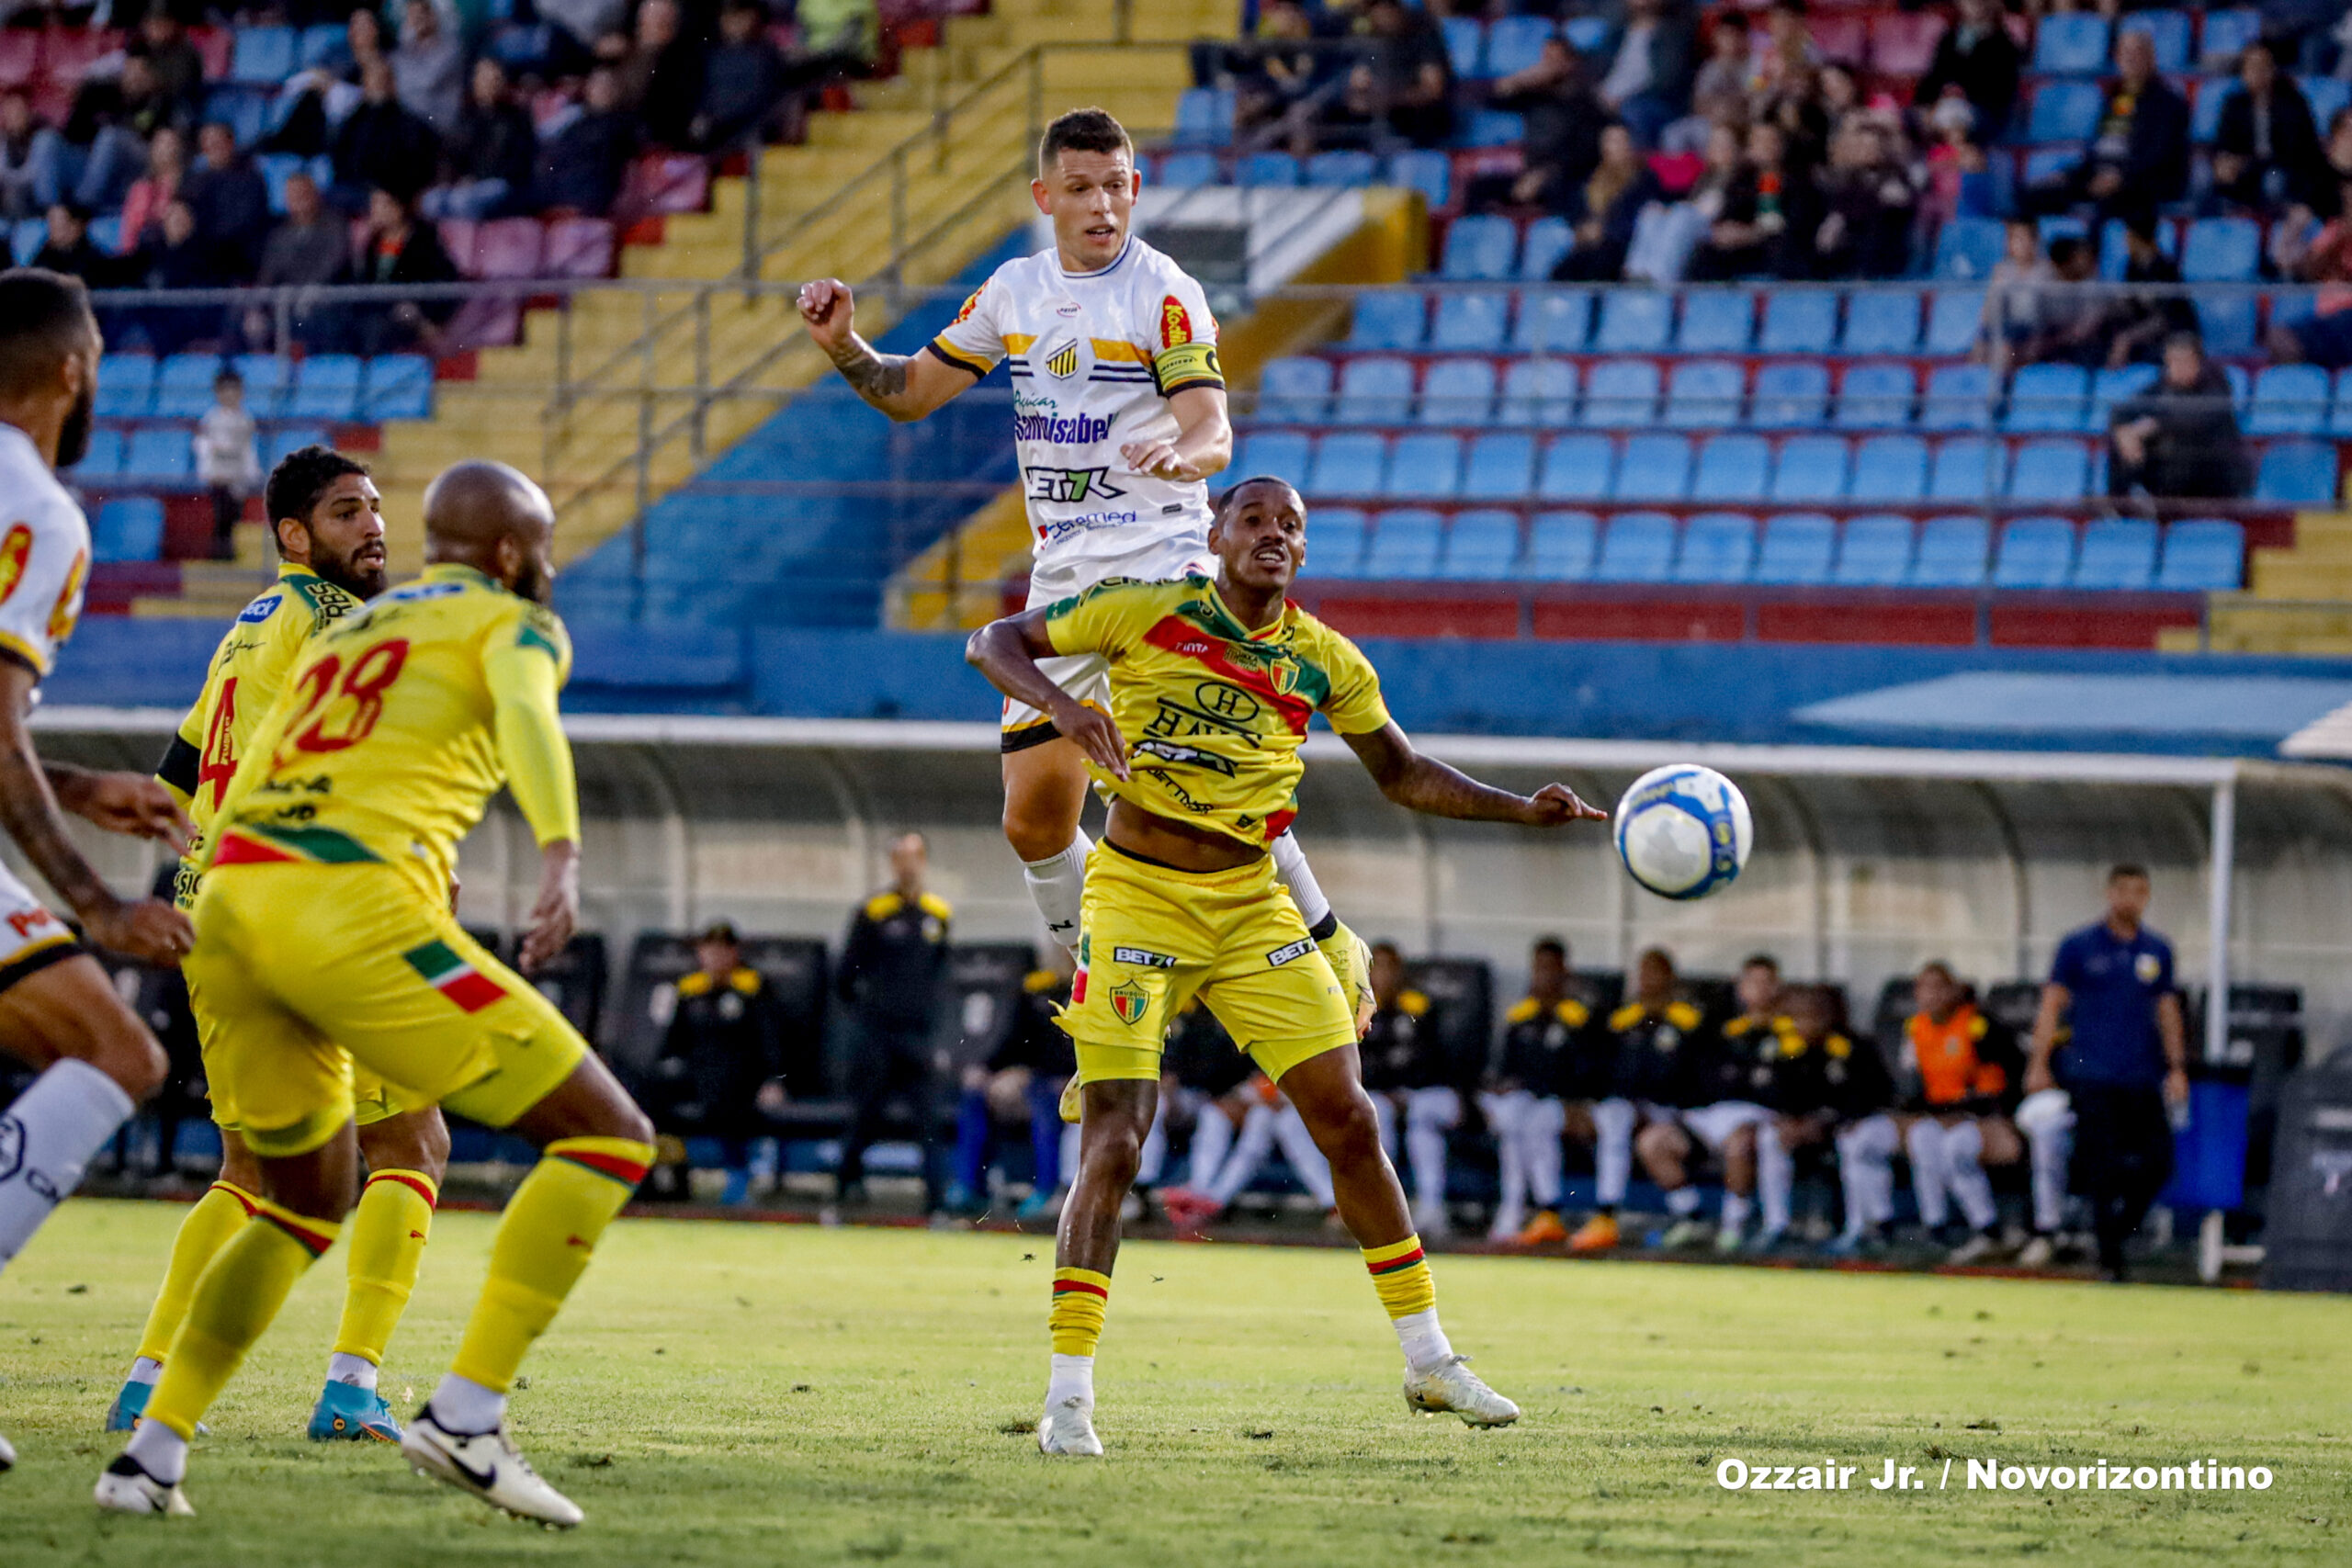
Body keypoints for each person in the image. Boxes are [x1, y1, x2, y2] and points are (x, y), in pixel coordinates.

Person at [965, 475, 1609, 1454]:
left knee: (1350, 1118)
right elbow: (992, 642)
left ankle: (1430, 1361)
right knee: (1116, 1143)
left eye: (1289, 525)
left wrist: (1523, 808)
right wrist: (1064, 707)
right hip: (1135, 898)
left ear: (1302, 553)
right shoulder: (1144, 608)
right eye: (1254, 518)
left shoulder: (1321, 659)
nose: (1272, 533)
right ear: (1215, 534)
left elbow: (1402, 774)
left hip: (1250, 905)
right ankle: (1068, 1400)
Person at [96, 460, 654, 1526]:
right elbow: (531, 723)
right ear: (508, 555)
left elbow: (227, 775)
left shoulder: (350, 631)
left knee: (293, 1195)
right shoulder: (518, 622)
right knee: (606, 1136)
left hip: (230, 904)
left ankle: (150, 1455)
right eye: (539, 546)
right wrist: (560, 857)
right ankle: (466, 1416)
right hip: (349, 911)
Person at [797, 107, 1367, 1023]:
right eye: (1081, 189)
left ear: (1133, 189)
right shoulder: (1013, 293)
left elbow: (1210, 421)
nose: (1102, 205)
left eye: (1115, 186)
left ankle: (1327, 946)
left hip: (1163, 563)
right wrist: (844, 349)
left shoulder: (1164, 292)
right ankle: (1115, 974)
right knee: (1032, 822)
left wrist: (1189, 455)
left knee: (1196, 786)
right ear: (1045, 198)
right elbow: (909, 393)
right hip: (1064, 577)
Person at [104, 444, 456, 1446]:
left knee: (248, 1169)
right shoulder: (344, 620)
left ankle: (148, 1380)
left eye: (379, 507)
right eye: (348, 512)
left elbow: (175, 776)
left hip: (214, 911)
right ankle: (351, 1388)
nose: (376, 526)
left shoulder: (245, 630)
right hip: (314, 906)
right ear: (294, 536)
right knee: (410, 1141)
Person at [0, 270, 196, 1473]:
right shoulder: (40, 508)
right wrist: (96, 897)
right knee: (116, 1048)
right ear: (74, 368)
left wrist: (73, 782)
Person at [2026, 864, 2188, 1283]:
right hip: (2090, 1070)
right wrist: (2039, 1062)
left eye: (2140, 892)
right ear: (2110, 894)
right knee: (2102, 1163)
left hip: (2141, 1073)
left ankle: (2117, 1231)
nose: (2132, 900)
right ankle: (2109, 1259)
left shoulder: (2157, 950)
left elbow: (2167, 1010)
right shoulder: (2078, 946)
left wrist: (2176, 1067)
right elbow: (2051, 1005)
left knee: (2159, 1162)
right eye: (2125, 891)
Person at [832, 830, 952, 1213]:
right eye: (901, 856)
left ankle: (937, 1200)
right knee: (865, 1113)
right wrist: (870, 1013)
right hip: (878, 1033)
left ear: (924, 861)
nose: (908, 864)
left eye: (915, 856)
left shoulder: (939, 914)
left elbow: (942, 976)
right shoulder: (873, 911)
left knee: (929, 1119)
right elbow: (845, 976)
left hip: (919, 1036)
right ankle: (845, 1186)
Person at [1639, 953, 1775, 1252]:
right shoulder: (1716, 1026)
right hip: (1707, 1116)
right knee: (1653, 1142)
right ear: (1740, 987)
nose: (1760, 989)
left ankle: (1732, 1226)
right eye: (1753, 982)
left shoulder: (1788, 1028)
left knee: (1740, 1144)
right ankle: (1690, 1217)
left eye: (1767, 982)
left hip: (1756, 1116)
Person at [650, 919, 785, 1207]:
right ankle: (664, 1172)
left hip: (741, 1070)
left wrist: (774, 1080)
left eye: (721, 951)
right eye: (707, 951)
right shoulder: (689, 988)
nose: (713, 957)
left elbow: (770, 1039)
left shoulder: (752, 987)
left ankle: (737, 1172)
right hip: (696, 1068)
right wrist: (664, 1064)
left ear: (734, 952)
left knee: (724, 1087)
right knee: (649, 1086)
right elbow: (673, 1040)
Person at [1897, 961, 2023, 1265]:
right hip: (1939, 1114)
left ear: (1954, 990)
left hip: (1979, 1117)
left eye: (1939, 987)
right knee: (1921, 1138)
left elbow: (1997, 1084)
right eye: (1924, 988)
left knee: (1956, 1148)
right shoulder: (1916, 1028)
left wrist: (1982, 1114)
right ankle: (1935, 1226)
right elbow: (1913, 1085)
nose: (1932, 996)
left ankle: (1988, 1229)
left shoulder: (1976, 1025)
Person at [1480, 936, 1595, 1246]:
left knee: (1530, 1123)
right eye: (1538, 968)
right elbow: (1506, 1070)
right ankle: (1529, 1210)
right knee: (1515, 1119)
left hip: (1564, 1104)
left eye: (1550, 968)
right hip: (1526, 1103)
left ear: (1564, 971)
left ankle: (1532, 1209)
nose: (1544, 975)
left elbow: (1585, 1072)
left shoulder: (1578, 1016)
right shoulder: (1521, 1015)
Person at [946, 945, 1075, 1219]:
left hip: (1069, 1080)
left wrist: (1040, 1073)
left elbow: (1071, 1047)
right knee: (976, 1092)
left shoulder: (1092, 988)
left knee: (1044, 1100)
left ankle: (1047, 1189)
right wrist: (993, 1069)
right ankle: (970, 1185)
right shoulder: (1036, 988)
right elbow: (1017, 1037)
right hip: (1033, 1077)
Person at [2027, 28, 2189, 226]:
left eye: (2136, 53)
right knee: (2034, 193)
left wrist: (2120, 177)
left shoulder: (2168, 103)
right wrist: (2070, 175)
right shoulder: (2117, 99)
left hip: (2142, 182)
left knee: (2111, 202)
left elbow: (2157, 156)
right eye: (2124, 53)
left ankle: (2091, 253)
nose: (2129, 59)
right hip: (2103, 176)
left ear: (2151, 58)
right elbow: (2103, 147)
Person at [1356, 942, 1462, 1237]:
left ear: (1400, 972)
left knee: (1419, 1115)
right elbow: (1363, 1066)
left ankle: (1431, 1211)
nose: (1385, 976)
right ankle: (1387, 1210)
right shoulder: (1361, 1009)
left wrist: (1402, 1089)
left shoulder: (1420, 1006)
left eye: (1391, 967)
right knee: (1386, 1116)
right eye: (1378, 968)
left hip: (1431, 1094)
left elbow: (1435, 1062)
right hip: (1390, 1098)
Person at [2107, 332, 2253, 505]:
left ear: (2198, 361)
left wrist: (2154, 425)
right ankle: (2120, 509)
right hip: (2171, 471)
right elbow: (2122, 411)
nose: (2177, 367)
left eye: (2184, 361)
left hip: (2213, 473)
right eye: (2172, 361)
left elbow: (2197, 419)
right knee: (2120, 440)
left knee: (2185, 445)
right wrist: (2124, 432)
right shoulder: (2163, 384)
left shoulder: (2217, 382)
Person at [1472, 37, 1606, 213]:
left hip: (1566, 175)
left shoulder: (1584, 103)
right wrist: (1521, 79)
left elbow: (1585, 150)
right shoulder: (1534, 97)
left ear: (1569, 64)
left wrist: (1544, 173)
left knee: (1560, 190)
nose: (1546, 66)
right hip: (1530, 171)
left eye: (1553, 60)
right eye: (1545, 59)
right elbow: (1494, 100)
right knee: (1478, 188)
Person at [2211, 39, 2328, 214]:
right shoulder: (2234, 104)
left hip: (2283, 169)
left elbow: (2293, 152)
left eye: (2262, 66)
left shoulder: (2292, 102)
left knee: (2272, 181)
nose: (2257, 73)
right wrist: (2225, 162)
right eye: (2251, 67)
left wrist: (2247, 162)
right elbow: (2224, 143)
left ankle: (2271, 229)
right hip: (2247, 169)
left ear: (2273, 69)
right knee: (2210, 178)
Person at [1689, 119, 1815, 281]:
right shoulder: (1742, 181)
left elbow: (1779, 225)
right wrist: (1724, 232)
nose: (1765, 147)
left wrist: (1749, 234)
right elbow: (1728, 214)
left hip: (1773, 251)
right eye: (1759, 142)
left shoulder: (1795, 182)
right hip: (1737, 250)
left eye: (1771, 141)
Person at [424, 59, 538, 221]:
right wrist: (451, 180)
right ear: (475, 82)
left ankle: (470, 244)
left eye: (495, 79)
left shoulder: (518, 118)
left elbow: (517, 164)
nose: (490, 84)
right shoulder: (465, 117)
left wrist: (476, 179)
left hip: (502, 184)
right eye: (484, 78)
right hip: (465, 184)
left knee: (463, 201)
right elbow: (450, 154)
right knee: (431, 201)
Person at [352, 188, 459, 356]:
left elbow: (446, 279)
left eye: (382, 204)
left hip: (411, 316)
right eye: (373, 204)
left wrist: (424, 315)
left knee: (377, 329)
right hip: (377, 312)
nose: (375, 209)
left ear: (398, 208)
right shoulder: (372, 244)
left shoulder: (424, 239)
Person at [1550, 121, 1660, 282]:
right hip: (1587, 246)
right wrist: (1582, 228)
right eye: (1607, 141)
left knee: (1599, 265)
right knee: (1561, 272)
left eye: (1616, 141)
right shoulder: (1590, 177)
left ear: (1630, 145)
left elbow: (1642, 217)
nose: (1609, 147)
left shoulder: (1644, 180)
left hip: (1622, 248)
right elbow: (1573, 208)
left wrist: (1604, 231)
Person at [1811, 117, 1916, 279]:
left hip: (1883, 255)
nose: (1866, 151)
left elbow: (1893, 204)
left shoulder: (1896, 176)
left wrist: (1845, 216)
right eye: (1861, 146)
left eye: (1872, 146)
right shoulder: (1847, 178)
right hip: (1848, 249)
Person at [332, 57, 441, 209]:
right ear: (365, 83)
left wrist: (391, 191)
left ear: (393, 83)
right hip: (357, 190)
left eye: (383, 79)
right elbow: (340, 160)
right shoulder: (351, 123)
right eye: (373, 79)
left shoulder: (410, 124)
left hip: (396, 193)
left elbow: (417, 165)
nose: (379, 84)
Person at [1912, 0, 2021, 144]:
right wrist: (1928, 105)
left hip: (1983, 114)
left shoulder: (2004, 45)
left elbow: (1999, 95)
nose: (1973, 4)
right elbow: (1932, 80)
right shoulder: (1949, 38)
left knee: (1953, 116)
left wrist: (1957, 98)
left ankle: (1954, 159)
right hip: (1942, 106)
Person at [536, 65, 639, 216]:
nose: (604, 90)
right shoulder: (573, 126)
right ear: (588, 88)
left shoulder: (629, 124)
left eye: (609, 84)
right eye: (598, 84)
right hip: (560, 197)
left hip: (597, 200)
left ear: (619, 89)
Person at [694, 0, 791, 153]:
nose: (735, 22)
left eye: (741, 16)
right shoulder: (712, 55)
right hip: (714, 135)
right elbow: (703, 93)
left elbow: (759, 99)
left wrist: (719, 120)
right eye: (729, 17)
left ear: (754, 17)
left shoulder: (766, 56)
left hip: (750, 135)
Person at [1596, 0, 1694, 149]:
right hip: (1608, 98)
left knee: (1634, 111)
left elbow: (1666, 80)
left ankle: (1640, 168)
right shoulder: (1617, 34)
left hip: (1653, 102)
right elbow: (1596, 68)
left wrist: (1623, 99)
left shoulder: (1672, 34)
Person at [184, 120, 273, 278]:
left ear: (231, 143)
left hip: (241, 260)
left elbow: (245, 223)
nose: (212, 150)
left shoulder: (250, 180)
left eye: (217, 144)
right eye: (208, 145)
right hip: (202, 258)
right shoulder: (194, 182)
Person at [616, 0, 705, 151]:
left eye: (665, 22)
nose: (659, 26)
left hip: (654, 140)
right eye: (654, 19)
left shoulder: (683, 64)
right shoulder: (620, 53)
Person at [193, 369, 261, 560]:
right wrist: (208, 471)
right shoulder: (211, 418)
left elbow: (248, 448)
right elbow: (203, 445)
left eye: (234, 390)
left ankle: (231, 555)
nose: (230, 395)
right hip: (218, 475)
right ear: (218, 393)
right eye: (225, 390)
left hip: (237, 475)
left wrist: (251, 473)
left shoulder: (246, 419)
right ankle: (219, 557)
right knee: (221, 517)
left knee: (235, 517)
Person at [391, 0, 467, 132]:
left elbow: (426, 81)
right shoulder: (405, 48)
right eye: (412, 14)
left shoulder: (451, 47)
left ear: (434, 15)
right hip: (409, 123)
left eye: (422, 13)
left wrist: (401, 85)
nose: (417, 18)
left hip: (436, 122)